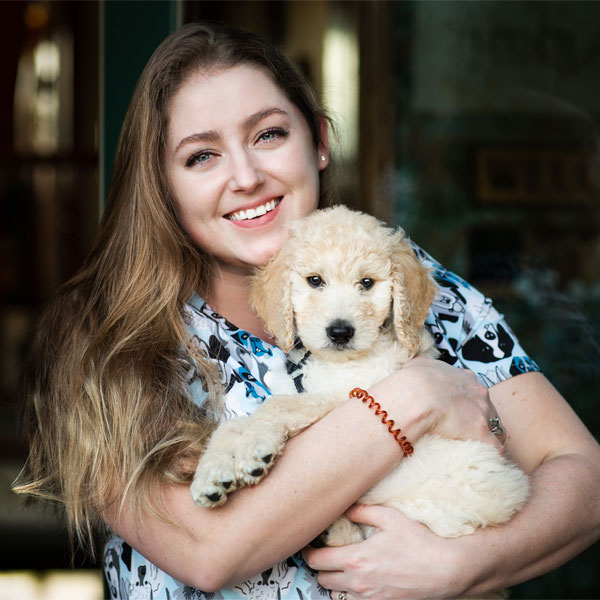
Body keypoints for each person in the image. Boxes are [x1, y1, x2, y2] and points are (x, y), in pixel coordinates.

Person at [13, 22, 600, 600]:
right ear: (162, 185)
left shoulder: (410, 279)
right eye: (201, 157)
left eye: (268, 135)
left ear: (318, 141)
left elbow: (585, 476)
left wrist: (466, 564)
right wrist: (414, 399)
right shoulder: (106, 333)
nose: (246, 177)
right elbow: (206, 552)